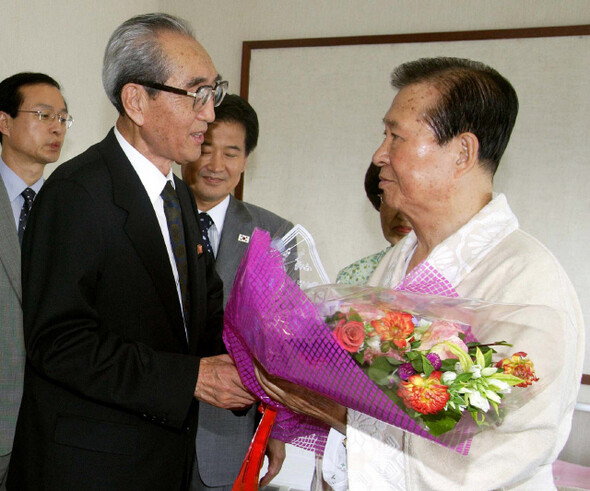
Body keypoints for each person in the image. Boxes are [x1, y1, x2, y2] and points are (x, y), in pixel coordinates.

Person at [257, 57, 584, 490]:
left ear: (462, 153)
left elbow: (496, 457)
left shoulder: (527, 281)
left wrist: (339, 413)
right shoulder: (397, 261)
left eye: (396, 137)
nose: (379, 156)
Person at [7, 13, 255, 491]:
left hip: (161, 462)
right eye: (197, 93)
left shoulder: (178, 196)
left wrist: (273, 354)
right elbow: (59, 343)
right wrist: (189, 380)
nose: (209, 113)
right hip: (89, 468)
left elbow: (203, 317)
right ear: (137, 100)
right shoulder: (77, 193)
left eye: (214, 92)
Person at [182, 94, 291, 491]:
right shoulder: (151, 221)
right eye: (205, 149)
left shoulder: (274, 235)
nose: (214, 166)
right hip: (147, 431)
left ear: (246, 161)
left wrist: (279, 427)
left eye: (230, 153)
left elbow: (281, 343)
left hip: (226, 434)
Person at [0, 72, 71, 490]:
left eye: (63, 118)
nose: (56, 127)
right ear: (4, 123)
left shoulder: (73, 206)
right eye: (43, 114)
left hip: (53, 430)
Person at [336, 163, 411, 285]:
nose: (402, 216)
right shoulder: (353, 276)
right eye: (390, 200)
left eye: (411, 203)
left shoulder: (450, 274)